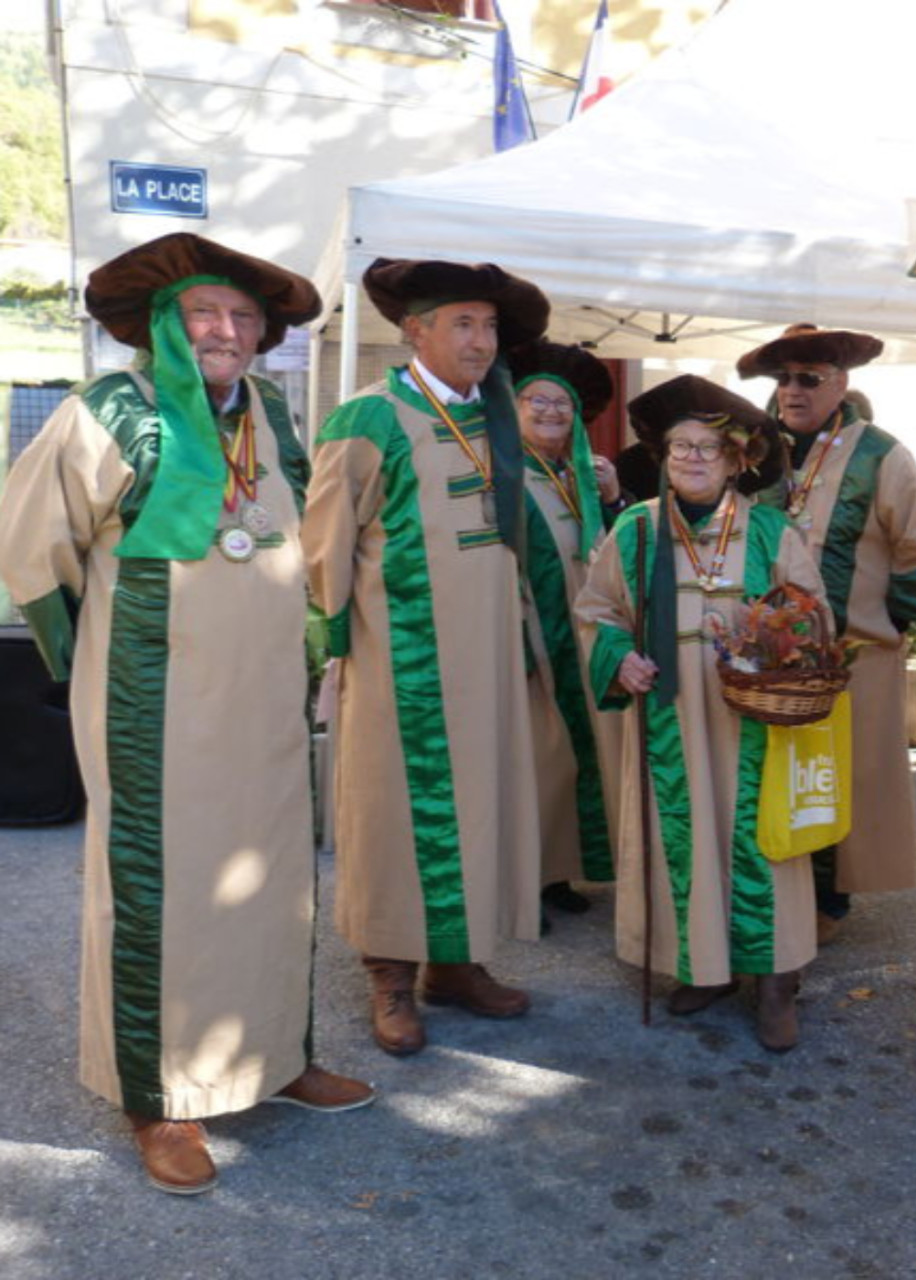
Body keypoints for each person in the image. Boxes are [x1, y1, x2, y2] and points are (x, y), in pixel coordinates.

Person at [0, 232, 375, 1197]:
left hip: (264, 705)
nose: (228, 331)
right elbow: (33, 549)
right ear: (168, 323)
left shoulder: (273, 415)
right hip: (153, 703)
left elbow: (292, 541)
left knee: (272, 872)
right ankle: (155, 1096)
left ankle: (272, 1062)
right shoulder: (110, 413)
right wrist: (102, 660)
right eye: (207, 314)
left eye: (245, 319)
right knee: (159, 886)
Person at [303, 258, 548, 1058]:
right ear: (415, 332)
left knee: (479, 804)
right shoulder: (366, 420)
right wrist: (326, 651)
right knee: (392, 818)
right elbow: (324, 549)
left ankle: (456, 961)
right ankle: (389, 974)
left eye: (489, 326)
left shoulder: (499, 417)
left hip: (485, 661)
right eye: (463, 324)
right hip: (395, 663)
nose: (482, 342)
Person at [575, 374, 829, 1052]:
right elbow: (597, 614)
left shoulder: (772, 530)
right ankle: (705, 967)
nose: (690, 458)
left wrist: (777, 638)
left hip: (752, 720)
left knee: (760, 842)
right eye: (679, 446)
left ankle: (776, 978)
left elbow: (812, 615)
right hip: (671, 716)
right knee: (686, 838)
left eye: (707, 449)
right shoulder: (634, 529)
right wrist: (620, 657)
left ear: (737, 462)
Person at [737, 324, 916, 944]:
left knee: (838, 776)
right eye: (783, 379)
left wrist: (889, 627)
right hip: (767, 656)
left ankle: (830, 900)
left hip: (855, 657)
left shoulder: (881, 454)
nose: (792, 392)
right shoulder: (754, 451)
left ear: (842, 383)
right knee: (773, 771)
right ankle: (771, 885)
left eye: (809, 379)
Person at [509, 340, 624, 917]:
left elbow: (610, 554)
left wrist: (613, 499)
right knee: (536, 757)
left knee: (574, 757)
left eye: (564, 404)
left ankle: (559, 873)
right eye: (538, 401)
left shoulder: (578, 475)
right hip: (529, 635)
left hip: (582, 640)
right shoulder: (500, 473)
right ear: (513, 405)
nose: (552, 412)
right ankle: (524, 877)